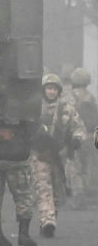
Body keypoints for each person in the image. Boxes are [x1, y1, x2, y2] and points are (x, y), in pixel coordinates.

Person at [30, 73, 85, 237]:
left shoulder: (66, 109)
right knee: (43, 188)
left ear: (58, 91)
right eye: (48, 88)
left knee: (58, 194)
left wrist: (76, 139)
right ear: (44, 90)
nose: (51, 92)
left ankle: (49, 218)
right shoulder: (35, 108)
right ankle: (47, 220)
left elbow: (78, 127)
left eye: (54, 89)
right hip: (40, 155)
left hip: (60, 157)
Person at [0, 92, 41, 246]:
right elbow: (34, 128)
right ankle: (23, 234)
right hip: (17, 159)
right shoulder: (24, 104)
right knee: (23, 196)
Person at [66, 68, 98, 205]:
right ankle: (89, 191)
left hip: (77, 137)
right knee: (88, 166)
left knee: (74, 167)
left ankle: (79, 196)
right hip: (90, 137)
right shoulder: (90, 97)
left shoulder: (71, 98)